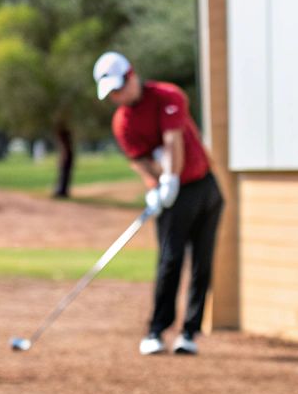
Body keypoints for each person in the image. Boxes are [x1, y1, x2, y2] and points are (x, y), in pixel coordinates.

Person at [93, 51, 223, 355]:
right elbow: (139, 160)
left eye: (118, 88)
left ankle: (189, 332)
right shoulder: (122, 123)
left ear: (132, 76)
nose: (116, 96)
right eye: (111, 93)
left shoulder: (167, 95)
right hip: (172, 194)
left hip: (204, 185)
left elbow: (172, 141)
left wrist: (171, 178)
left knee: (202, 261)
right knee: (170, 259)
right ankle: (156, 330)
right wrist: (156, 185)